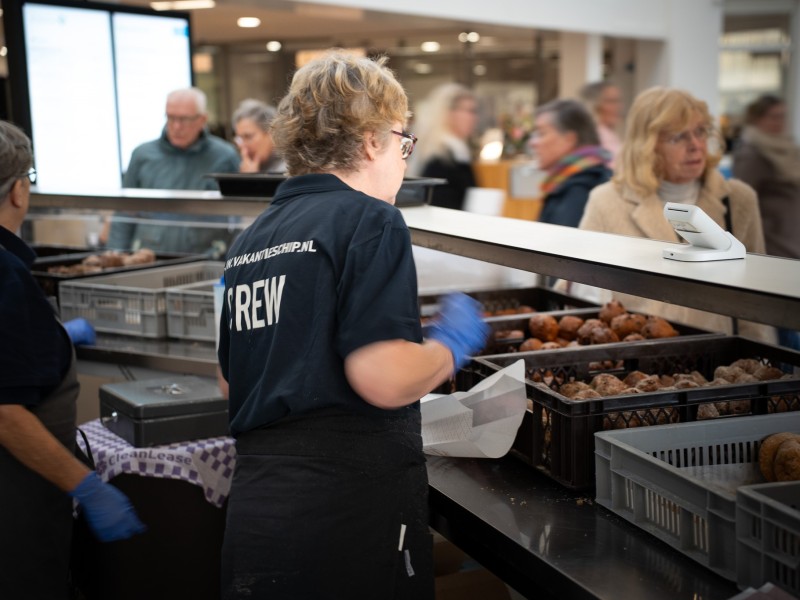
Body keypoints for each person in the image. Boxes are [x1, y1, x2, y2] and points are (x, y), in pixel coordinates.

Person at [217, 51, 489, 600]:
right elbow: (382, 376)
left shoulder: (249, 241)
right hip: (344, 516)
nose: (404, 159)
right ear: (371, 140)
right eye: (402, 142)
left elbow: (231, 380)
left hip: (257, 516)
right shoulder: (371, 219)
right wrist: (447, 346)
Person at [0, 121, 145, 599]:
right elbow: (4, 410)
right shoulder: (4, 272)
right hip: (14, 510)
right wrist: (85, 485)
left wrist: (52, 338)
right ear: (19, 191)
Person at [575, 86, 775, 343]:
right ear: (646, 146)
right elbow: (580, 292)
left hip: (719, 363)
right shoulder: (606, 201)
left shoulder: (738, 198)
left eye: (700, 131)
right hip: (637, 365)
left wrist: (761, 365)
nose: (695, 146)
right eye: (677, 137)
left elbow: (756, 301)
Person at [106, 87, 241, 257]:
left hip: (203, 260)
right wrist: (115, 256)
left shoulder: (225, 156)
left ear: (202, 119)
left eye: (184, 119)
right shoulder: (142, 155)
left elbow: (237, 215)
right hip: (148, 258)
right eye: (171, 118)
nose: (176, 127)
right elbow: (124, 212)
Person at [733, 94, 800, 349]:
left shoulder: (786, 147)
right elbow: (743, 200)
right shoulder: (753, 152)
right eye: (773, 116)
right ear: (757, 118)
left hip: (792, 240)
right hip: (774, 245)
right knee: (785, 321)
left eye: (782, 116)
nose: (779, 122)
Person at [531, 99, 611, 227]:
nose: (533, 143)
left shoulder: (580, 189)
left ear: (570, 139)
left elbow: (559, 245)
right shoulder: (574, 181)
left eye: (541, 134)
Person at [407, 83, 479, 210]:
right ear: (448, 113)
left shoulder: (455, 152)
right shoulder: (441, 159)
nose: (473, 118)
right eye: (469, 111)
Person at [232, 99, 286, 173]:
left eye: (248, 137)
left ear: (271, 133)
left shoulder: (290, 168)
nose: (242, 145)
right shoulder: (244, 166)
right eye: (240, 139)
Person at [579, 81, 624, 168]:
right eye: (611, 101)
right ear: (594, 105)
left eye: (618, 101)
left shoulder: (610, 135)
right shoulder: (592, 138)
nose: (619, 106)